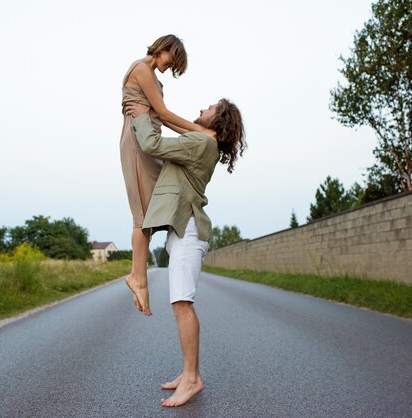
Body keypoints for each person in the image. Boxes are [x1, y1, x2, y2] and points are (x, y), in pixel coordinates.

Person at [126, 98, 246, 407]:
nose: (205, 106)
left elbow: (152, 145)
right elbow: (176, 124)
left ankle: (192, 379)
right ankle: (188, 372)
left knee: (182, 304)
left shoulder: (200, 143)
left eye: (212, 106)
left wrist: (140, 116)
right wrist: (159, 114)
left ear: (219, 120)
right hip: (186, 229)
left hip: (188, 231)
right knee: (182, 303)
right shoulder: (204, 142)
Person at [120, 34, 214, 317]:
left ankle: (140, 279)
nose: (170, 67)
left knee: (151, 209)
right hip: (139, 143)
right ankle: (138, 278)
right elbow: (162, 112)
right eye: (171, 60)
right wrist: (199, 131)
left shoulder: (150, 74)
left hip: (147, 140)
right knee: (142, 212)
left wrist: (200, 137)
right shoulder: (141, 69)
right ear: (163, 48)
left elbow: (162, 118)